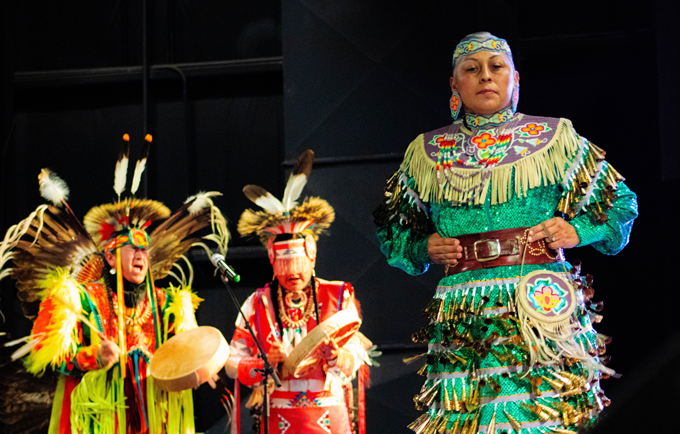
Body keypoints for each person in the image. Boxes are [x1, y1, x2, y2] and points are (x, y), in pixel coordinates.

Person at [374, 32, 638, 433]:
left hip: (538, 302)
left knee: (546, 416)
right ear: (454, 85)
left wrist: (577, 230)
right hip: (464, 311)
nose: (485, 77)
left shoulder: (555, 138)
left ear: (515, 78)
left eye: (496, 67)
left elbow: (620, 204)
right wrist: (422, 245)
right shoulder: (427, 152)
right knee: (467, 419)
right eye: (471, 69)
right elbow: (393, 226)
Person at [0, 136, 229, 434]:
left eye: (144, 249)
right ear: (109, 256)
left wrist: (202, 367)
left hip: (154, 415)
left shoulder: (168, 304)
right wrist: (94, 356)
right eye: (132, 248)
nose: (141, 255)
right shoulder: (78, 299)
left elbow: (185, 355)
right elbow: (48, 353)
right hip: (98, 418)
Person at [224, 150, 373, 434]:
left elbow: (357, 354)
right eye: (285, 265)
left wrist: (336, 355)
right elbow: (232, 363)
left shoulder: (338, 295)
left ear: (313, 257)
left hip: (329, 412)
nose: (293, 273)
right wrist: (262, 362)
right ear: (271, 260)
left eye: (299, 264)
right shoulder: (257, 303)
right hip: (278, 413)